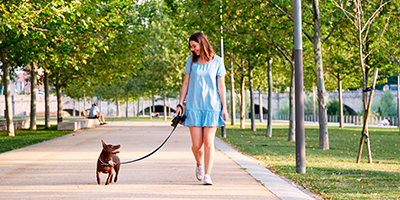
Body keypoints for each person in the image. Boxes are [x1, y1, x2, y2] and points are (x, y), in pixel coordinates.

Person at [176, 32, 227, 185]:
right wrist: (180, 104)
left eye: (194, 46)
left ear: (202, 43)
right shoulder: (191, 61)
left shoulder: (218, 61)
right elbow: (186, 83)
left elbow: (221, 85)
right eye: (191, 47)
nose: (193, 50)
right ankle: (199, 163)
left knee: (209, 142)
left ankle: (207, 175)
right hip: (193, 106)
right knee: (197, 146)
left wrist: (224, 107)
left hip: (212, 107)